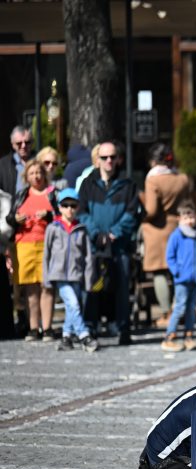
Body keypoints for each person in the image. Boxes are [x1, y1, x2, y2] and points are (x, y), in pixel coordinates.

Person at [77, 140, 141, 345]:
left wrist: (115, 232)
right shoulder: (88, 183)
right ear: (98, 160)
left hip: (119, 245)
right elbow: (82, 212)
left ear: (119, 159)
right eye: (104, 157)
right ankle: (90, 328)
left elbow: (132, 213)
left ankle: (123, 328)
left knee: (122, 288)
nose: (109, 161)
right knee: (92, 288)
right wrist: (96, 233)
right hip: (95, 246)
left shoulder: (128, 184)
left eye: (113, 157)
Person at [142, 142, 196, 327]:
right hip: (179, 226)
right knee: (177, 271)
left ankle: (167, 313)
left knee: (159, 271)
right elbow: (191, 201)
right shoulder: (182, 178)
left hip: (157, 229)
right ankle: (180, 309)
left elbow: (151, 209)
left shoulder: (153, 180)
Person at [42, 187, 98, 353]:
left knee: (70, 307)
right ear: (59, 207)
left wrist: (89, 279)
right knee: (73, 304)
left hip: (76, 274)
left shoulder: (81, 229)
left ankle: (66, 337)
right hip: (59, 275)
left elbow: (88, 257)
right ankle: (83, 335)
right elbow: (47, 254)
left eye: (73, 205)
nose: (69, 209)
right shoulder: (53, 228)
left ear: (78, 207)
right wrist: (46, 277)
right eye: (65, 205)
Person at [7, 159, 56, 340]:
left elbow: (61, 215)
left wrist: (49, 215)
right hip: (25, 244)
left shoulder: (51, 194)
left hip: (47, 244)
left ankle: (48, 328)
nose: (36, 176)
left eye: (39, 173)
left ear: (45, 175)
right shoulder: (21, 195)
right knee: (30, 289)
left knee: (47, 287)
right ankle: (33, 328)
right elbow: (9, 218)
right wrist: (16, 219)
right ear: (26, 177)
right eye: (32, 173)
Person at [161, 203, 196, 353]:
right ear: (179, 218)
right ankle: (170, 336)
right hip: (182, 279)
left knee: (191, 308)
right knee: (179, 307)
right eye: (186, 217)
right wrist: (177, 272)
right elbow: (170, 256)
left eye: (191, 217)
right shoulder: (177, 235)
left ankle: (188, 336)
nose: (189, 220)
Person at [0, 125, 34, 197]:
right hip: (13, 207)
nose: (23, 146)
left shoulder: (39, 161)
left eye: (27, 142)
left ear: (32, 143)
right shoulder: (3, 165)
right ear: (13, 145)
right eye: (19, 143)